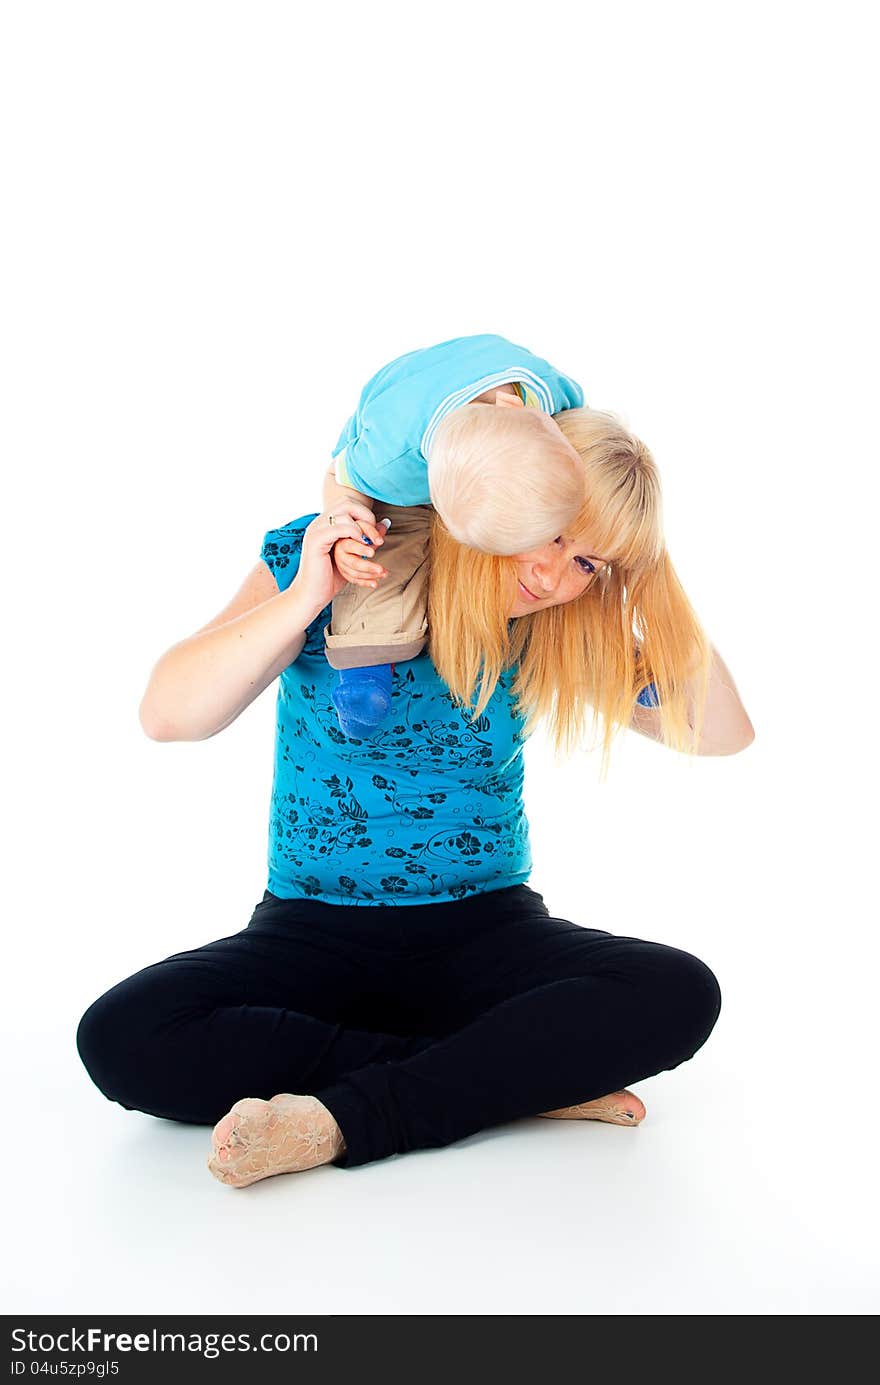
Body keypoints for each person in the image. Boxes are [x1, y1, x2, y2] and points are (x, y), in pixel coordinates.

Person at [75, 406, 754, 1189]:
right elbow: (167, 714)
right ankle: (508, 1077)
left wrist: (648, 581)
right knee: (122, 1036)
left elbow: (724, 731)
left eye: (589, 561)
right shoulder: (347, 554)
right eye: (555, 532)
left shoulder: (560, 619)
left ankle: (344, 1117)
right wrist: (304, 599)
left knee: (679, 991)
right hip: (312, 931)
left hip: (486, 934)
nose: (552, 572)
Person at [321, 333, 585, 738]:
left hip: (456, 397)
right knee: (385, 555)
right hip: (379, 471)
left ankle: (626, 661)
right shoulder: (387, 461)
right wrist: (346, 521)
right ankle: (364, 672)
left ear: (524, 412)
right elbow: (339, 475)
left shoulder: (546, 391)